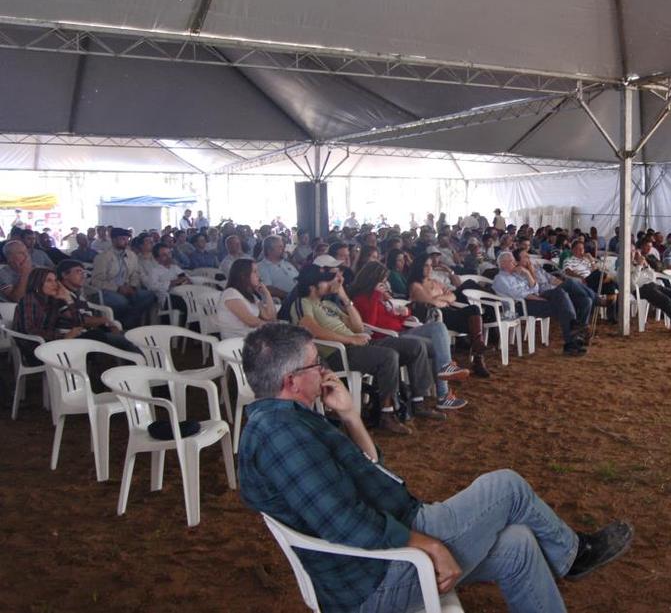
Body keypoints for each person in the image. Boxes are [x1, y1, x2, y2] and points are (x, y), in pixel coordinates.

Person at [237, 322, 634, 613]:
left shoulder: (291, 419)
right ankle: (573, 556)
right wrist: (427, 544)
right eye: (315, 364)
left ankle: (568, 556)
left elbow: (369, 469)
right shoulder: (281, 435)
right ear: (292, 380)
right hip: (375, 578)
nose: (324, 370)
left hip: (391, 542)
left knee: (518, 543)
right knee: (506, 487)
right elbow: (346, 524)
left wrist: (351, 417)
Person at [288, 266, 444, 434]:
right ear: (312, 286)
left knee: (415, 346)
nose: (331, 283)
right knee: (388, 357)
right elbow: (311, 330)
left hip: (356, 344)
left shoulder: (328, 304)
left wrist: (344, 297)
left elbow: (357, 326)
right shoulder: (302, 303)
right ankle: (386, 414)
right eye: (326, 280)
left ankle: (418, 401)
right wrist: (350, 339)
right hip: (337, 353)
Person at [349, 261, 469, 410]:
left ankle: (446, 369)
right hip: (387, 337)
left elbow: (390, 318)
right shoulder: (362, 299)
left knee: (438, 328)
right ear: (372, 280)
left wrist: (404, 315)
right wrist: (376, 296)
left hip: (401, 330)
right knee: (434, 346)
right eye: (382, 280)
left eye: (385, 280)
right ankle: (443, 395)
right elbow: (369, 323)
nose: (385, 284)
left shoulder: (380, 298)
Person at [407, 253, 491, 377]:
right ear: (418, 267)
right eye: (425, 266)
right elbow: (431, 303)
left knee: (473, 309)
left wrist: (439, 298)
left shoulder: (435, 282)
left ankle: (478, 352)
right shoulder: (415, 285)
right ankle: (478, 355)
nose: (429, 268)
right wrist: (441, 299)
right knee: (469, 319)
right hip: (434, 317)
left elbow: (453, 296)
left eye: (430, 265)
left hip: (447, 312)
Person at [493, 251, 588, 356]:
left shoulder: (516, 275)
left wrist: (527, 273)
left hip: (533, 298)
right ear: (503, 264)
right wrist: (540, 299)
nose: (514, 263)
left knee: (560, 292)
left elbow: (535, 288)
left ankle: (572, 332)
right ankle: (572, 339)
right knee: (562, 308)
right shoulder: (500, 279)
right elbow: (520, 294)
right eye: (511, 261)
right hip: (520, 306)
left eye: (514, 260)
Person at [90, 227, 157, 328]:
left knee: (150, 295)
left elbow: (135, 273)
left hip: (127, 287)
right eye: (123, 239)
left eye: (127, 239)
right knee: (123, 302)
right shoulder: (103, 257)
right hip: (108, 290)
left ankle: (126, 324)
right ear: (113, 240)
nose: (126, 242)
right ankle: (127, 325)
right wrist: (117, 288)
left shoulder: (131, 255)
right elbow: (96, 281)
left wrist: (133, 287)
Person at [217, 258, 277, 340]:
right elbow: (251, 321)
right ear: (243, 276)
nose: (258, 275)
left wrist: (267, 293)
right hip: (236, 343)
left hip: (253, 338)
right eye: (255, 272)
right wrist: (274, 327)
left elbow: (270, 316)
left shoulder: (251, 296)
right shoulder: (231, 294)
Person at [257, 235, 299, 299]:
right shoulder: (261, 267)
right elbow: (268, 288)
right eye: (280, 247)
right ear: (269, 250)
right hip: (283, 302)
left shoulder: (286, 263)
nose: (283, 249)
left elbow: (299, 277)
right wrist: (290, 296)